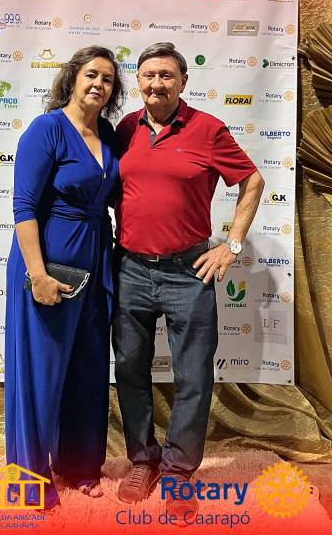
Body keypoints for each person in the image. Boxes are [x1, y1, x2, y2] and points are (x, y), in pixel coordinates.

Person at [113, 42, 264, 521]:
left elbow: (253, 181)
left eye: (166, 75)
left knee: (193, 375)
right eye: (148, 75)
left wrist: (231, 245)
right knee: (130, 368)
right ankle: (143, 462)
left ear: (183, 81)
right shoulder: (124, 129)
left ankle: (178, 471)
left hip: (188, 270)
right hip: (130, 268)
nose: (156, 83)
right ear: (138, 81)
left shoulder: (208, 129)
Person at [5, 46, 124, 510]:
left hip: (96, 262)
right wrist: (37, 274)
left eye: (108, 79)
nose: (99, 84)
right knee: (41, 373)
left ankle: (80, 466)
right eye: (91, 74)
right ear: (72, 78)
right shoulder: (47, 129)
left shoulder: (108, 134)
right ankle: (28, 480)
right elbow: (24, 207)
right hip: (48, 265)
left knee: (88, 368)